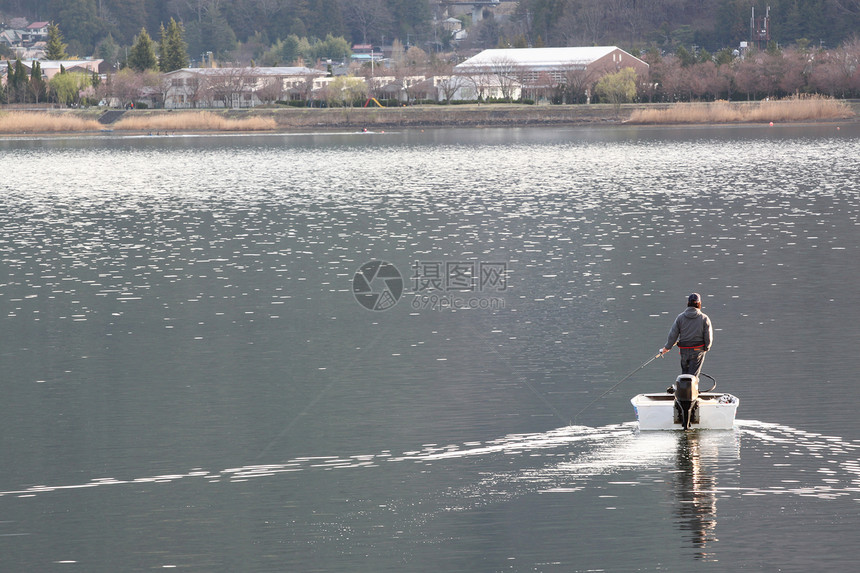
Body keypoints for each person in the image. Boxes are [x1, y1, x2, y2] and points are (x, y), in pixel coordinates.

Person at [658, 293, 713, 377]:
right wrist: (706, 348)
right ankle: (692, 389)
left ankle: (683, 388)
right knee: (693, 376)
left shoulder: (680, 317)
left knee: (685, 374)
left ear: (688, 303)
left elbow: (673, 334)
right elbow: (708, 337)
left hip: (684, 350)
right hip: (698, 350)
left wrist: (667, 348)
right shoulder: (704, 318)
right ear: (699, 303)